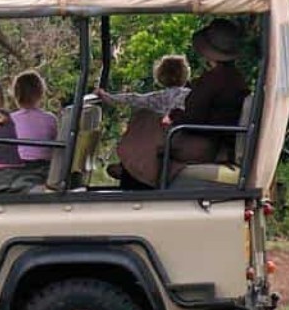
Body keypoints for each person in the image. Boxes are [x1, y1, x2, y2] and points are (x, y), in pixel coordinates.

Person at [101, 54, 191, 190]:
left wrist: (107, 97)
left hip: (167, 136)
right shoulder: (189, 94)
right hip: (179, 134)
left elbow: (134, 99)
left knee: (143, 118)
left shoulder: (158, 97)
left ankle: (129, 165)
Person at [167, 19, 249, 167]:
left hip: (206, 144)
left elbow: (193, 119)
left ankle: (142, 174)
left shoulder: (212, 80)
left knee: (146, 121)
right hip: (219, 140)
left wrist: (174, 114)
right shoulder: (237, 78)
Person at [0, 70, 57, 192]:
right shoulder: (50, 119)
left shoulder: (8, 120)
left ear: (16, 95)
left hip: (15, 169)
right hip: (44, 168)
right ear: (40, 93)